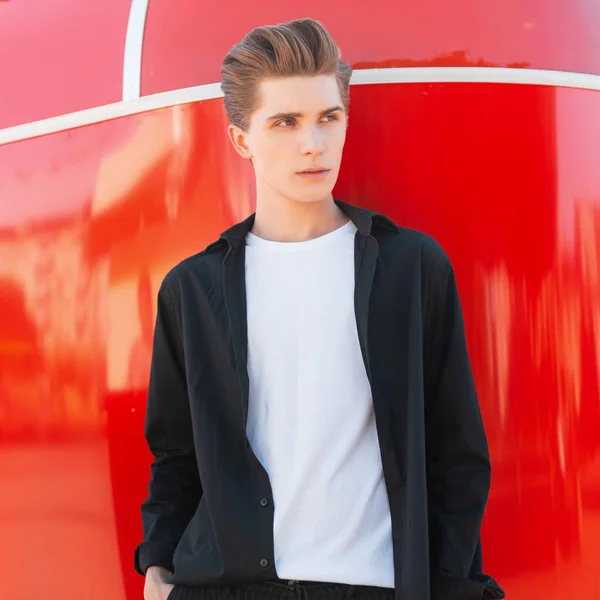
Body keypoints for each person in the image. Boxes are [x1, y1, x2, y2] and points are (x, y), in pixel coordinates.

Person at [135, 18, 505, 600]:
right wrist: (157, 569)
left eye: (328, 118)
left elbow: (455, 450)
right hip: (229, 588)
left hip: (372, 587)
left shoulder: (409, 269)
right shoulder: (193, 289)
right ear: (241, 139)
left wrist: (452, 581)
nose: (313, 143)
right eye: (285, 122)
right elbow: (176, 452)